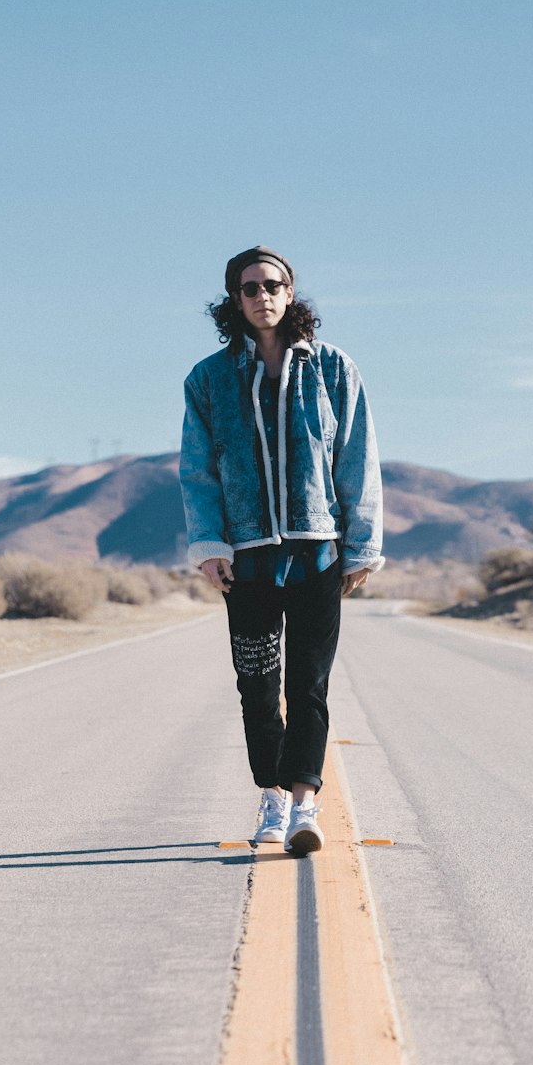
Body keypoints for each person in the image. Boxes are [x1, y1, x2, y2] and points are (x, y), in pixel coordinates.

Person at [179, 245, 384, 855]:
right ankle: (269, 794)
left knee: (310, 684)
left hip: (317, 552)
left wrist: (362, 545)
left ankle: (303, 805)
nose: (262, 296)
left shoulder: (333, 368)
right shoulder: (208, 379)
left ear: (290, 294)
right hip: (248, 560)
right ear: (233, 300)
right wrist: (209, 543)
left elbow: (356, 456)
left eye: (273, 285)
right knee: (257, 686)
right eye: (249, 288)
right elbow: (198, 470)